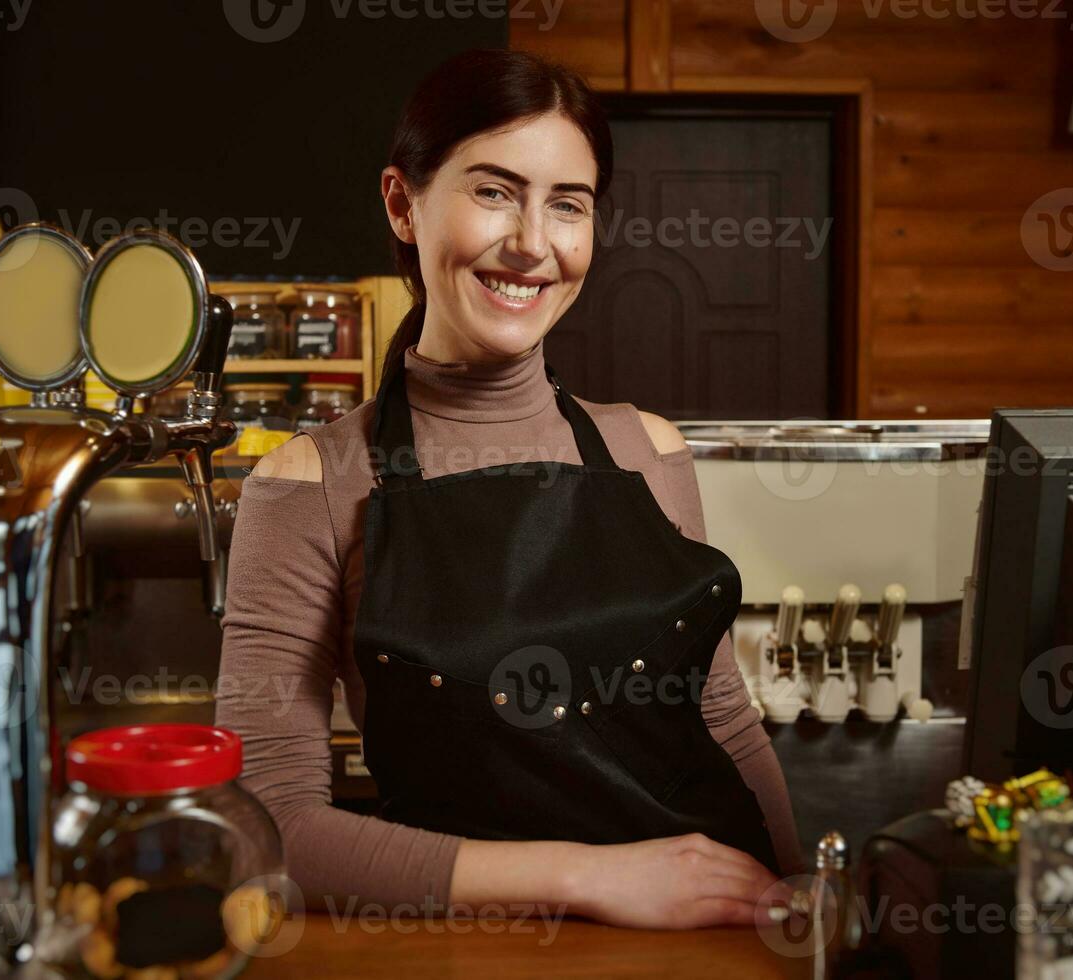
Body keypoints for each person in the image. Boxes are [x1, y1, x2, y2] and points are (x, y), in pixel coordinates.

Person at [216, 48, 807, 930]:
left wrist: (794, 896)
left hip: (706, 935)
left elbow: (719, 712)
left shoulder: (645, 448)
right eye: (493, 191)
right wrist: (591, 877)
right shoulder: (307, 485)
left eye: (566, 205)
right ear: (402, 204)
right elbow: (269, 829)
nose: (532, 243)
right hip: (472, 945)